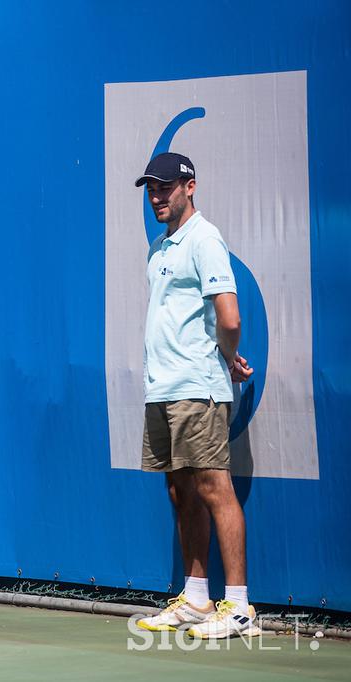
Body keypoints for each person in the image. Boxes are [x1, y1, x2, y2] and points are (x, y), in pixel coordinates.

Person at [132, 152, 257, 639]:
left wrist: (225, 357)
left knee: (213, 487)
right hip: (162, 390)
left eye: (166, 187)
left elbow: (229, 317)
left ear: (190, 187)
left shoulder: (205, 238)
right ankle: (198, 598)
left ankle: (241, 607)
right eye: (151, 189)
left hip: (196, 388)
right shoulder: (159, 248)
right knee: (179, 491)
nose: (157, 196)